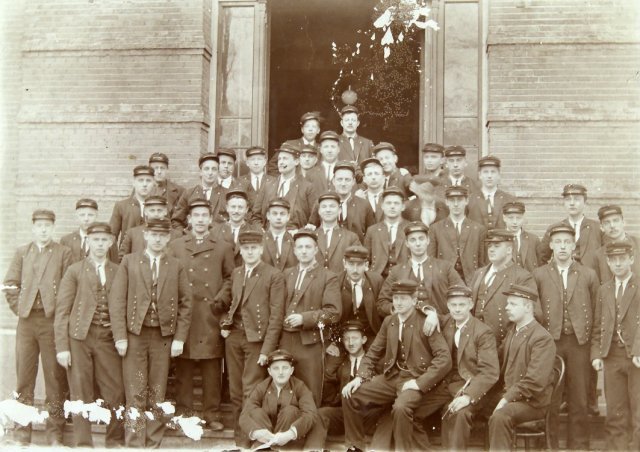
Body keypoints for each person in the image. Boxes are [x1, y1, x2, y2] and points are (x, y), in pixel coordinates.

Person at [374, 284, 500, 450]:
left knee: (457, 414)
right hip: (443, 385)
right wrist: (431, 313)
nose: (457, 309)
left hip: (468, 386)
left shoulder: (483, 332)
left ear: (470, 304)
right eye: (453, 305)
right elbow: (414, 308)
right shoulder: (444, 321)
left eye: (462, 305)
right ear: (447, 305)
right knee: (407, 412)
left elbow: (489, 372)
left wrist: (468, 396)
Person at [109, 218, 192, 447]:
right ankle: (135, 444)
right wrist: (120, 336)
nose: (157, 239)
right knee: (135, 391)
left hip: (163, 338)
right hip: (135, 336)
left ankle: (153, 443)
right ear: (145, 235)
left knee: (157, 392)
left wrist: (179, 338)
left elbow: (186, 303)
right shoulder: (129, 261)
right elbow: (117, 301)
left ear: (168, 238)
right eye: (154, 234)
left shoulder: (175, 265)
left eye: (162, 235)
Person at [341, 279, 452, 451]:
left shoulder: (426, 321)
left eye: (403, 298)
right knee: (350, 394)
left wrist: (419, 383)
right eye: (395, 298)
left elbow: (444, 359)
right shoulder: (389, 321)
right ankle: (354, 446)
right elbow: (374, 351)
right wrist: (359, 377)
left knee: (401, 408)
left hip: (416, 378)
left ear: (414, 300)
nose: (398, 303)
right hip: (393, 377)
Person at [3, 209, 72, 446]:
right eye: (39, 226)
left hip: (51, 323)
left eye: (47, 226)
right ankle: (22, 434)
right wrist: (20, 308)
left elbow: (68, 288)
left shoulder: (63, 253)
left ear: (53, 228)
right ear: (33, 228)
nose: (43, 230)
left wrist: (59, 315)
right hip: (26, 323)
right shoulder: (22, 252)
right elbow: (10, 285)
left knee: (55, 379)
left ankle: (55, 434)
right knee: (24, 378)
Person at [54, 222, 125, 447]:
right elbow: (62, 311)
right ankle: (83, 444)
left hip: (108, 338)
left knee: (115, 391)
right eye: (96, 240)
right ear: (89, 242)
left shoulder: (119, 270)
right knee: (80, 392)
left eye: (104, 240)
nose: (100, 244)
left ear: (111, 242)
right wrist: (62, 347)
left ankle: (114, 442)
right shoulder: (74, 270)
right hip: (79, 339)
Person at [167, 199, 234, 431]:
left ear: (210, 219)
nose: (200, 220)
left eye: (205, 215)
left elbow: (230, 278)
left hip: (210, 313)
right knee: (184, 367)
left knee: (211, 367)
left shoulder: (223, 246)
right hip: (185, 313)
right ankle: (184, 414)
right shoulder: (176, 246)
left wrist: (220, 300)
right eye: (196, 215)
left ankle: (212, 414)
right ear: (189, 219)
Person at [533, 222, 599, 450]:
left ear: (574, 246)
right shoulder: (539, 274)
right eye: (558, 242)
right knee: (551, 395)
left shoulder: (588, 274)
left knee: (579, 397)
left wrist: (592, 345)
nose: (562, 246)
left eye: (567, 242)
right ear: (551, 245)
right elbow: (535, 310)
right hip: (550, 343)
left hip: (579, 343)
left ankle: (578, 445)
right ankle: (550, 444)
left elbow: (596, 311)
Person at [220, 230, 285, 447]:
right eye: (246, 248)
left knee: (251, 391)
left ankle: (251, 441)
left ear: (261, 249)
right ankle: (240, 441)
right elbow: (231, 302)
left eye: (254, 248)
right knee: (236, 392)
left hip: (257, 341)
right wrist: (225, 324)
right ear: (241, 251)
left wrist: (267, 350)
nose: (250, 252)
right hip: (235, 338)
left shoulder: (273, 275)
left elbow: (276, 316)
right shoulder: (237, 273)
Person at [488, 284, 556, 451]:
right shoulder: (513, 331)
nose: (507, 307)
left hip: (532, 403)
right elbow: (496, 360)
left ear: (527, 307)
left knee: (500, 417)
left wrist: (506, 399)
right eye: (507, 303)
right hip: (512, 396)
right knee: (467, 406)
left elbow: (534, 382)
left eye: (513, 304)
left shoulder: (542, 339)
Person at [280, 230, 341, 405]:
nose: (304, 251)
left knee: (310, 393)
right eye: (300, 247)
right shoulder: (286, 274)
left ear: (316, 250)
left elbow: (333, 313)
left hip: (310, 343)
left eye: (308, 247)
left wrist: (304, 319)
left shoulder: (328, 276)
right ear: (294, 251)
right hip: (284, 340)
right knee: (285, 392)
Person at [591, 242, 640, 450]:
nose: (618, 264)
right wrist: (596, 354)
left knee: (638, 409)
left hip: (636, 357)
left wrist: (638, 350)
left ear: (632, 259)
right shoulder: (604, 290)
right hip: (611, 356)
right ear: (608, 263)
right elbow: (597, 325)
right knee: (615, 410)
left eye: (622, 259)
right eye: (613, 260)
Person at [239, 349, 324, 450]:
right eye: (276, 368)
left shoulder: (300, 387)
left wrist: (291, 433)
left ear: (291, 370)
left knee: (290, 411)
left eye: (285, 368)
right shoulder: (262, 387)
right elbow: (244, 415)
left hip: (289, 441)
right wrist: (256, 433)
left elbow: (311, 413)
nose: (280, 372)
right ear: (269, 372)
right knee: (256, 412)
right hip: (265, 438)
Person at [378, 221, 463, 316]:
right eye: (413, 240)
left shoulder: (445, 267)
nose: (418, 244)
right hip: (408, 322)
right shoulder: (397, 271)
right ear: (407, 243)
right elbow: (382, 302)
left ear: (428, 240)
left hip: (440, 320)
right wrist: (399, 309)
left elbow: (461, 294)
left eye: (421, 239)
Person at [471, 229, 538, 344]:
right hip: (476, 341)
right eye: (489, 246)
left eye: (497, 246)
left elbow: (531, 314)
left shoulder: (522, 277)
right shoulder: (479, 273)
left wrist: (510, 343)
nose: (491, 249)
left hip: (505, 344)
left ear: (509, 250)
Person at [317, 321, 377, 442]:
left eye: (354, 338)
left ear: (364, 340)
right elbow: (330, 384)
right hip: (346, 413)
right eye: (346, 339)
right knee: (320, 414)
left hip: (368, 414)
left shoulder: (373, 363)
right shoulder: (341, 364)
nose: (350, 343)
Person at [428, 186, 487, 285]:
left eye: (459, 200)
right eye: (452, 200)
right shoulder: (435, 229)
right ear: (446, 202)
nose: (456, 204)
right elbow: (431, 262)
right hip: (444, 281)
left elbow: (482, 263)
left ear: (466, 201)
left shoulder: (478, 229)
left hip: (471, 281)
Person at [309, 161, 375, 243]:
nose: (343, 183)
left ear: (353, 181)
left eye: (347, 180)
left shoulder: (364, 205)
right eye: (339, 179)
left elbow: (371, 235)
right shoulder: (322, 203)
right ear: (333, 181)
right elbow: (312, 229)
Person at [253, 145, 317, 228]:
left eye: (285, 159)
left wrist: (301, 232)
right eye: (279, 159)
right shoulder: (267, 185)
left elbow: (313, 219)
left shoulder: (307, 187)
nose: (281, 162)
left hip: (295, 234)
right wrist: (262, 231)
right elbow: (256, 216)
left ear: (296, 161)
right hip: (269, 234)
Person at [538, 184, 602, 264]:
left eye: (577, 199)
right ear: (564, 203)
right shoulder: (554, 228)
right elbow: (541, 257)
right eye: (568, 199)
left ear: (585, 202)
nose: (572, 203)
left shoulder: (597, 228)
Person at [334, 245, 384, 339]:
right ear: (344, 264)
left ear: (366, 265)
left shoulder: (376, 281)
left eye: (360, 264)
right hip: (343, 336)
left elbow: (381, 310)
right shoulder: (336, 281)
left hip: (370, 334)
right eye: (351, 264)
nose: (355, 270)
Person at [171, 153, 228, 231]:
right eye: (206, 169)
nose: (210, 173)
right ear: (200, 172)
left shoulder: (226, 194)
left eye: (214, 169)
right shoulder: (189, 193)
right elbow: (176, 221)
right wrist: (186, 235)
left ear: (218, 172)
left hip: (218, 237)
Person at [585, 204, 640, 283]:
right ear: (602, 227)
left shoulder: (638, 244)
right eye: (607, 222)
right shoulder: (599, 255)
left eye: (616, 220)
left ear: (623, 222)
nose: (612, 226)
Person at [364, 187, 410, 276]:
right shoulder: (372, 230)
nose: (392, 206)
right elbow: (366, 258)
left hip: (404, 277)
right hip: (377, 277)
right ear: (382, 206)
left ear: (403, 207)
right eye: (388, 203)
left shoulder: (410, 228)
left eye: (396, 203)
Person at [118, 195, 178, 261]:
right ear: (145, 212)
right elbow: (122, 260)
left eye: (159, 210)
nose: (156, 214)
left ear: (165, 212)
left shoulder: (176, 235)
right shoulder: (132, 233)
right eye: (152, 210)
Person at [211, 189, 261, 267]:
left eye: (240, 207)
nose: (236, 211)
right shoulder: (215, 232)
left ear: (246, 209)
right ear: (227, 208)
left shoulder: (255, 232)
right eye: (233, 207)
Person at [314, 192, 360, 274]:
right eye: (324, 207)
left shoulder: (351, 238)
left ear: (339, 210)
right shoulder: (311, 237)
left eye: (332, 206)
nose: (328, 210)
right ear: (319, 211)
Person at [110, 165, 156, 248]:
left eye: (148, 180)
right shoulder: (121, 206)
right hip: (127, 252)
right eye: (140, 180)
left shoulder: (158, 207)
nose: (144, 184)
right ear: (134, 182)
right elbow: (112, 236)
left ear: (153, 183)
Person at [466, 156, 515, 229]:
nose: (489, 176)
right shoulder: (470, 200)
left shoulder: (509, 200)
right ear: (480, 175)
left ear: (499, 175)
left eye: (493, 172)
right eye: (486, 172)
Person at [267, 111, 321, 176]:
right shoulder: (289, 145)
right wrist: (285, 180)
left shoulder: (322, 149)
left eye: (314, 127)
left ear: (318, 130)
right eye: (307, 126)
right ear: (302, 130)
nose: (310, 129)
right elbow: (272, 167)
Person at [502, 201, 543, 272]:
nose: (515, 222)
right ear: (504, 218)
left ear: (523, 218)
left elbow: (541, 265)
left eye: (518, 218)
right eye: (511, 218)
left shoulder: (533, 240)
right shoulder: (498, 239)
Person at [261, 198, 298, 271]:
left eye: (282, 214)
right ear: (268, 216)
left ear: (288, 216)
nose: (278, 217)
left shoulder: (294, 241)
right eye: (275, 213)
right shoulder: (260, 241)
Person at [60, 198, 99, 263]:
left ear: (96, 216)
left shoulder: (105, 240)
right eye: (82, 215)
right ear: (77, 216)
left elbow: (113, 266)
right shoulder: (66, 241)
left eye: (90, 215)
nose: (86, 219)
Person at [148, 152, 185, 217]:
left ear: (167, 170)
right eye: (156, 168)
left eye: (162, 168)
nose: (159, 172)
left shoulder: (179, 191)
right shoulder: (143, 190)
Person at [357, 157, 386, 222]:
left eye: (376, 174)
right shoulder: (359, 199)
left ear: (383, 177)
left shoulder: (390, 197)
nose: (373, 177)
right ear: (364, 179)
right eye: (369, 174)